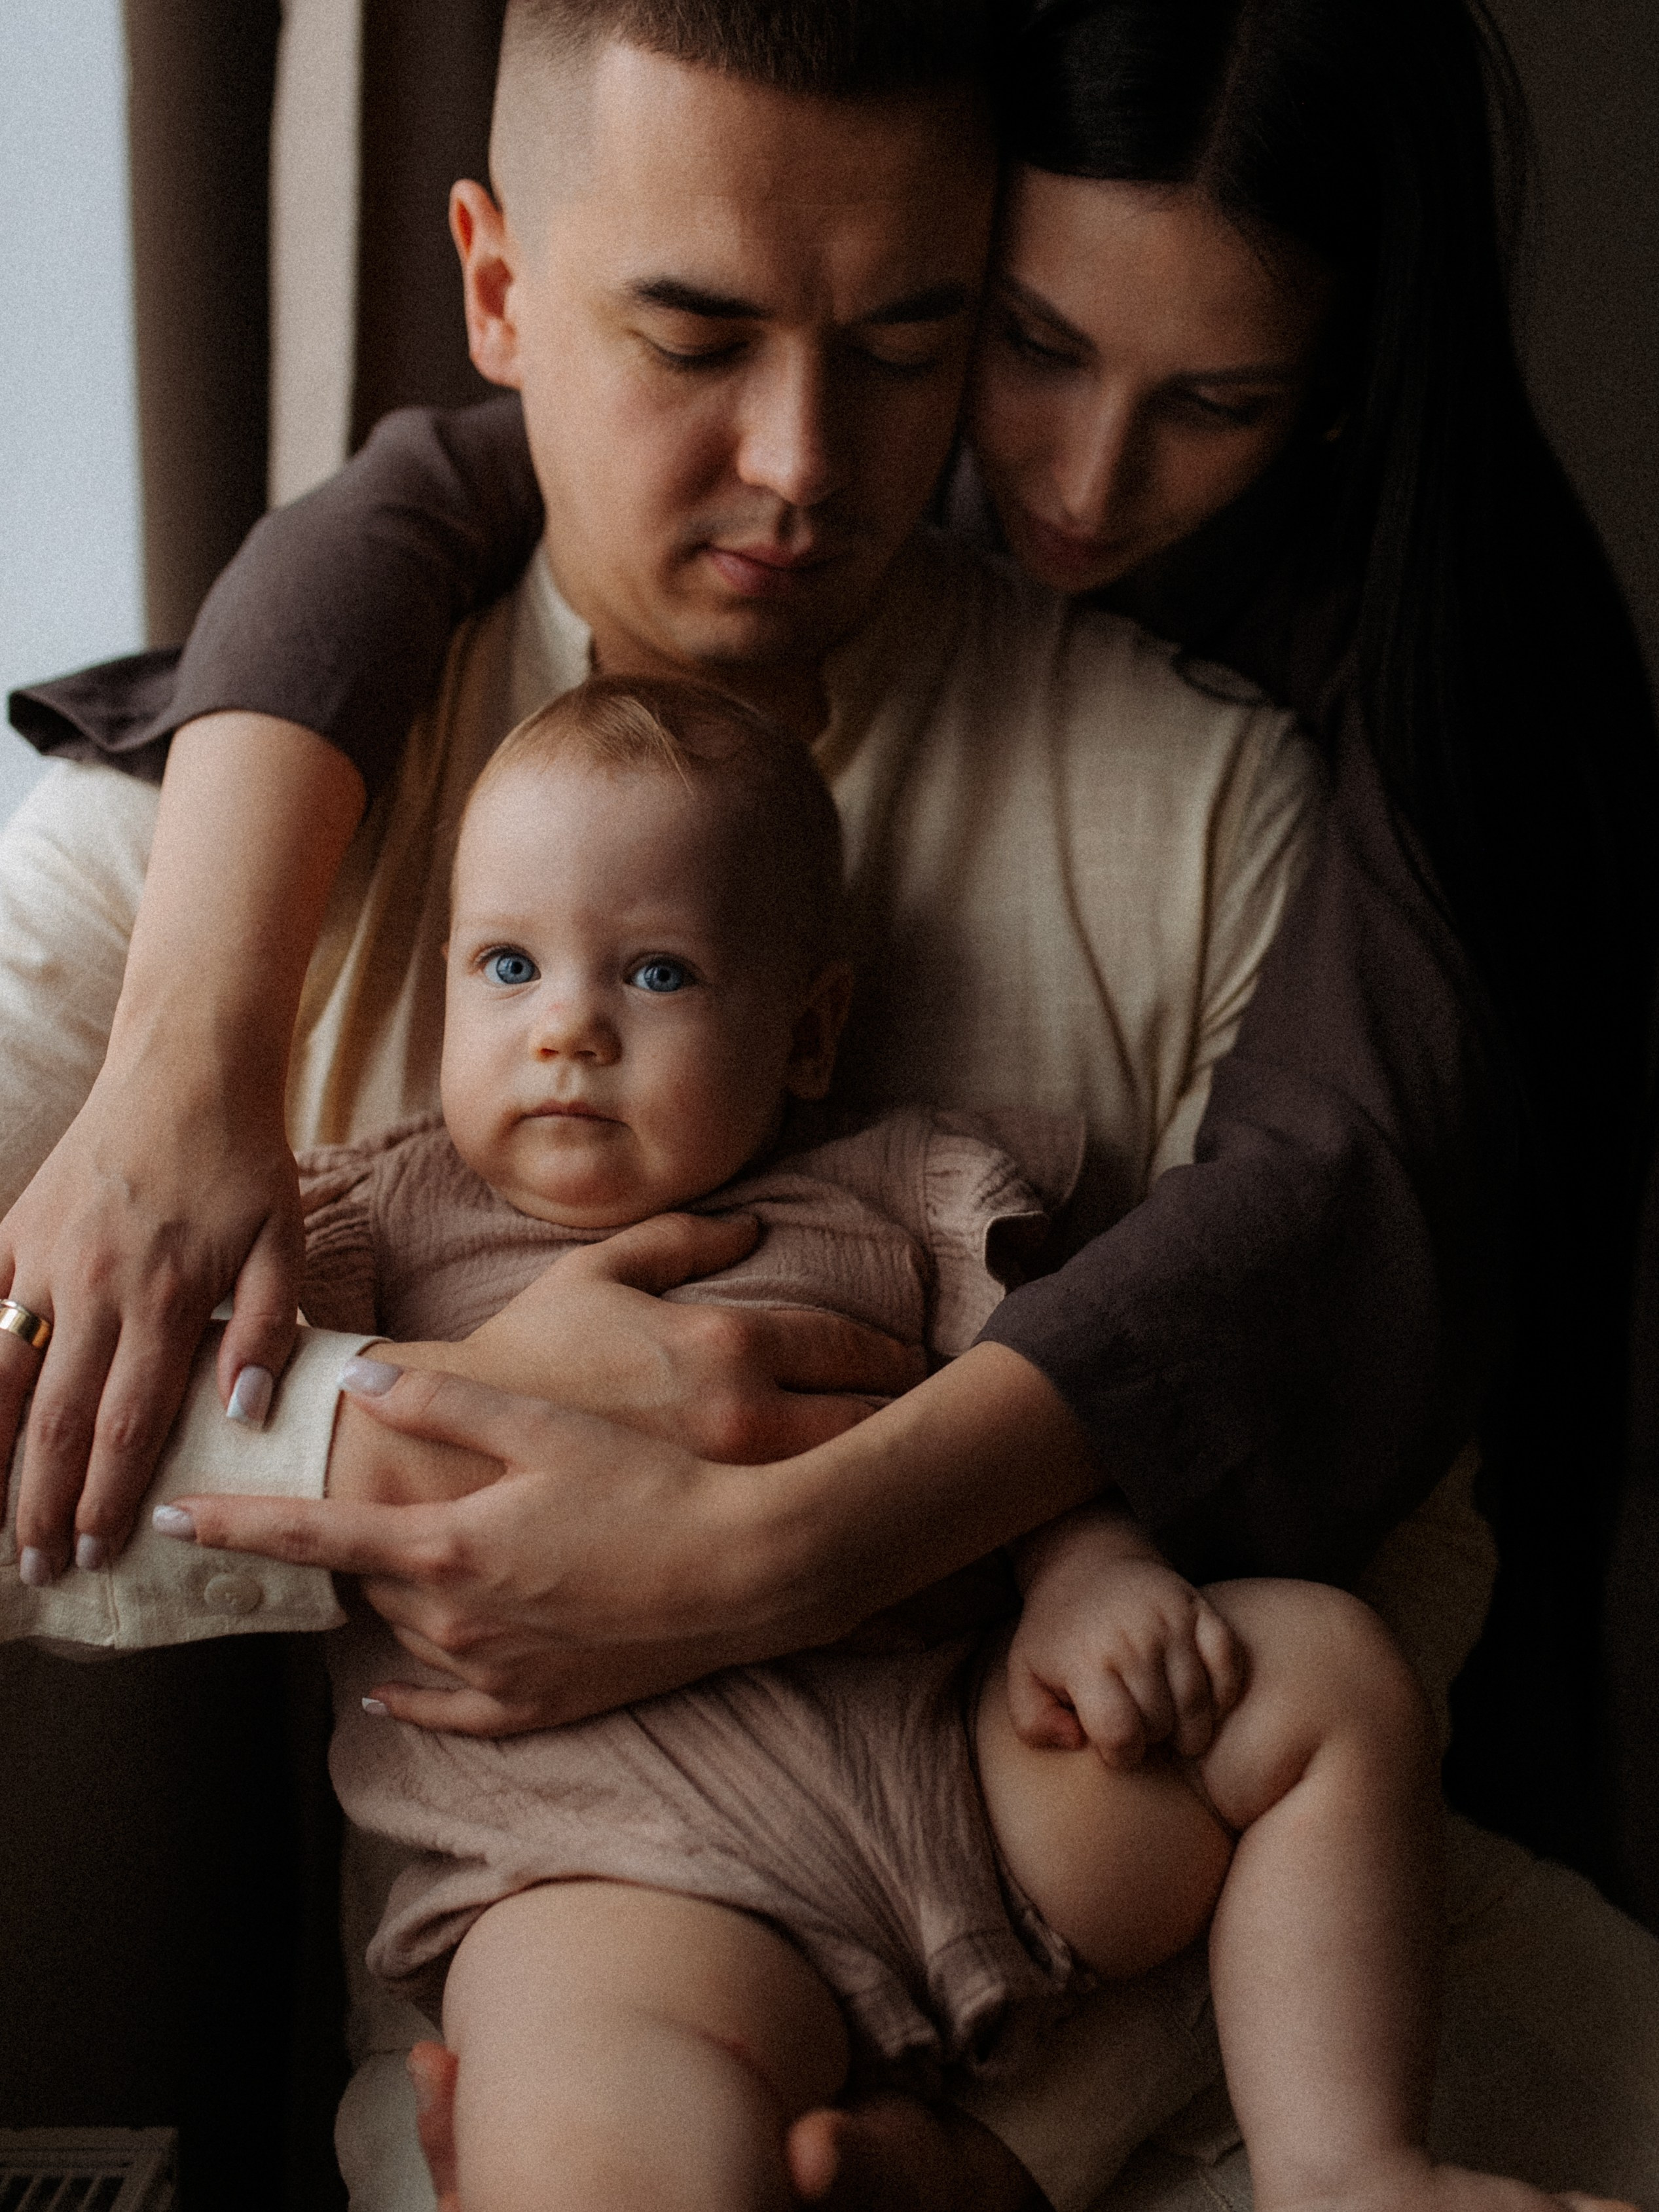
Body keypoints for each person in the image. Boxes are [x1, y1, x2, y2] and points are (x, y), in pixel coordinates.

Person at [3, 0, 1657, 2204]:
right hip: (610, 1974)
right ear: (496, 289)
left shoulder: (1233, 790)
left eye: (906, 344)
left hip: (1117, 1977)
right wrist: (432, 1419)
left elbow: (1364, 1486)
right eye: (693, 338)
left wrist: (1003, 2156)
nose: (803, 459)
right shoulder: (214, 821)